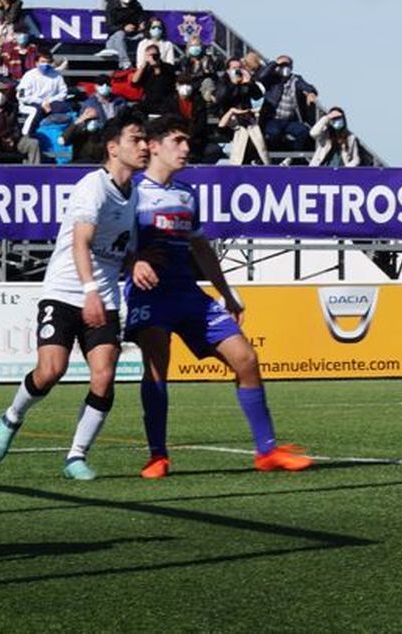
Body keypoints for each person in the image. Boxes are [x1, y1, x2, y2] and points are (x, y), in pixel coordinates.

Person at [127, 117, 312, 476]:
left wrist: (226, 293)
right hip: (150, 293)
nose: (186, 148)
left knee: (246, 358)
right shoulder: (131, 190)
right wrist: (133, 261)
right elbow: (108, 240)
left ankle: (267, 451)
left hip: (188, 293)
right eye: (178, 141)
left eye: (187, 141)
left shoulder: (186, 193)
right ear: (154, 146)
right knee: (157, 365)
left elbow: (200, 247)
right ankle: (157, 455)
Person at [0, 111, 153, 480]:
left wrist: (135, 263)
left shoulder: (135, 194)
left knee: (104, 376)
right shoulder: (93, 187)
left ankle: (76, 456)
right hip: (64, 291)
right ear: (113, 148)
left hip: (104, 297)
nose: (144, 146)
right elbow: (81, 242)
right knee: (51, 371)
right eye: (136, 139)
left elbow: (121, 249)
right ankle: (11, 417)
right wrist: (89, 291)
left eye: (145, 140)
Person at [17, 45, 70, 137]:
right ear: (36, 63)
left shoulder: (56, 75)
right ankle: (27, 134)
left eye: (48, 62)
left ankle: (56, 134)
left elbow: (63, 92)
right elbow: (22, 96)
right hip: (31, 104)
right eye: (43, 62)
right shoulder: (29, 76)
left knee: (63, 108)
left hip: (50, 103)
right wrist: (41, 102)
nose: (45, 64)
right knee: (36, 110)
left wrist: (48, 102)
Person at [0, 83, 41, 164]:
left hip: (12, 140)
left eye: (3, 92)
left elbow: (16, 128)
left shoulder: (12, 108)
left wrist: (12, 139)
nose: (0, 95)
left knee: (33, 143)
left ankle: (33, 170)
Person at [102, 0, 147, 70]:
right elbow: (110, 27)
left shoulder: (137, 7)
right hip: (115, 41)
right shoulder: (112, 7)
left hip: (131, 39)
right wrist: (123, 28)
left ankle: (143, 65)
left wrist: (141, 26)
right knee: (120, 34)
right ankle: (125, 63)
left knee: (144, 37)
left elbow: (141, 21)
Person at [131, 42, 179, 116]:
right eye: (150, 55)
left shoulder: (168, 67)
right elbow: (134, 81)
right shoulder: (145, 70)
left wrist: (157, 65)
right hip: (149, 103)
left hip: (165, 103)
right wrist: (144, 64)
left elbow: (162, 75)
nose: (153, 57)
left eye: (155, 55)